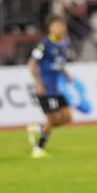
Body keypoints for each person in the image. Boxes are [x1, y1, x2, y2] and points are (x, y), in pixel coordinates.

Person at [26, 15, 73, 159]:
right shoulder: (44, 44)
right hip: (46, 89)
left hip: (56, 89)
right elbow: (32, 65)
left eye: (62, 25)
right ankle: (38, 149)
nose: (60, 28)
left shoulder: (63, 44)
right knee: (52, 119)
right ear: (50, 28)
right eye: (56, 25)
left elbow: (59, 63)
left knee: (67, 117)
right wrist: (39, 84)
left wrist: (66, 74)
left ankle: (38, 127)